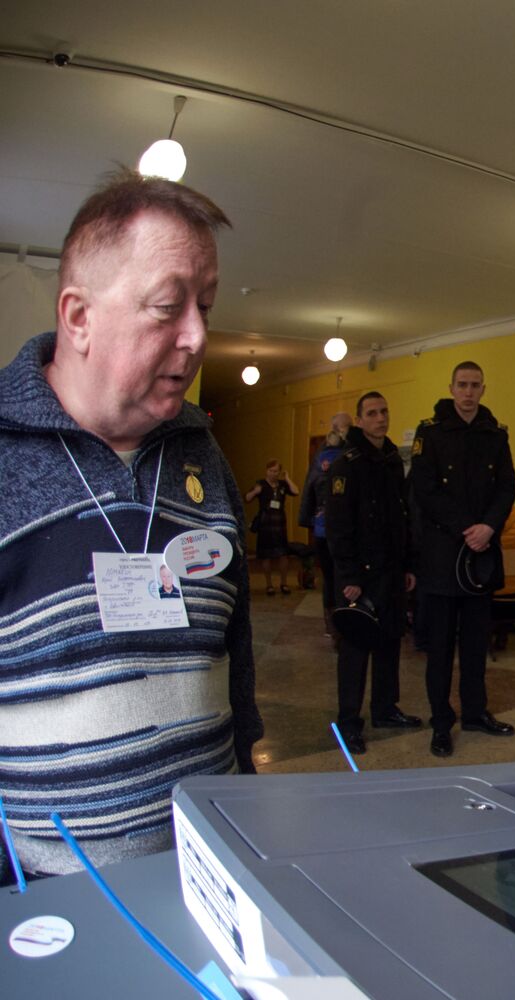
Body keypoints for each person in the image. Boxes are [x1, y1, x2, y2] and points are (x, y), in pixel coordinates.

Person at [0, 168, 261, 881]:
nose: (198, 335)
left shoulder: (200, 451)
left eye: (204, 306)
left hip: (202, 879)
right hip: (42, 904)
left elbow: (233, 651)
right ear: (78, 316)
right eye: (168, 306)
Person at [411, 362, 515, 757]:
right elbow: (423, 489)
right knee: (439, 649)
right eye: (462, 385)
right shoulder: (432, 433)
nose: (468, 392)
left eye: (475, 385)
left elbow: (507, 485)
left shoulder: (495, 434)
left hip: (481, 558)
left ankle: (476, 712)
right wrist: (466, 528)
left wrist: (489, 527)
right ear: (451, 387)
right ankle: (442, 722)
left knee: (476, 645)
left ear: (483, 388)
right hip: (443, 557)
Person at [325, 392, 421, 754]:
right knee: (355, 650)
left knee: (389, 641)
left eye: (384, 411)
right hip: (358, 575)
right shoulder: (346, 466)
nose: (381, 418)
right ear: (360, 420)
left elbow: (402, 516)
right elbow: (337, 526)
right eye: (372, 413)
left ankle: (385, 708)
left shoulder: (392, 459)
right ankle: (349, 722)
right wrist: (348, 576)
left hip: (391, 570)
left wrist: (408, 564)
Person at [299, 430, 347, 637]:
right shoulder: (348, 457)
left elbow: (309, 490)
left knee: (329, 578)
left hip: (322, 526)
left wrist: (306, 518)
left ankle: (332, 624)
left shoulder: (318, 460)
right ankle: (343, 622)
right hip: (341, 528)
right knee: (342, 576)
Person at [244, 459, 299, 595]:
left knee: (283, 555)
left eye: (276, 471)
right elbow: (247, 498)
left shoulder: (282, 485)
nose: (273, 474)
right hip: (265, 525)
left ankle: (284, 583)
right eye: (271, 471)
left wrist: (287, 478)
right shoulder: (260, 484)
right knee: (266, 556)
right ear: (266, 471)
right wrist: (256, 491)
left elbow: (296, 491)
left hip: (279, 524)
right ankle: (269, 585)